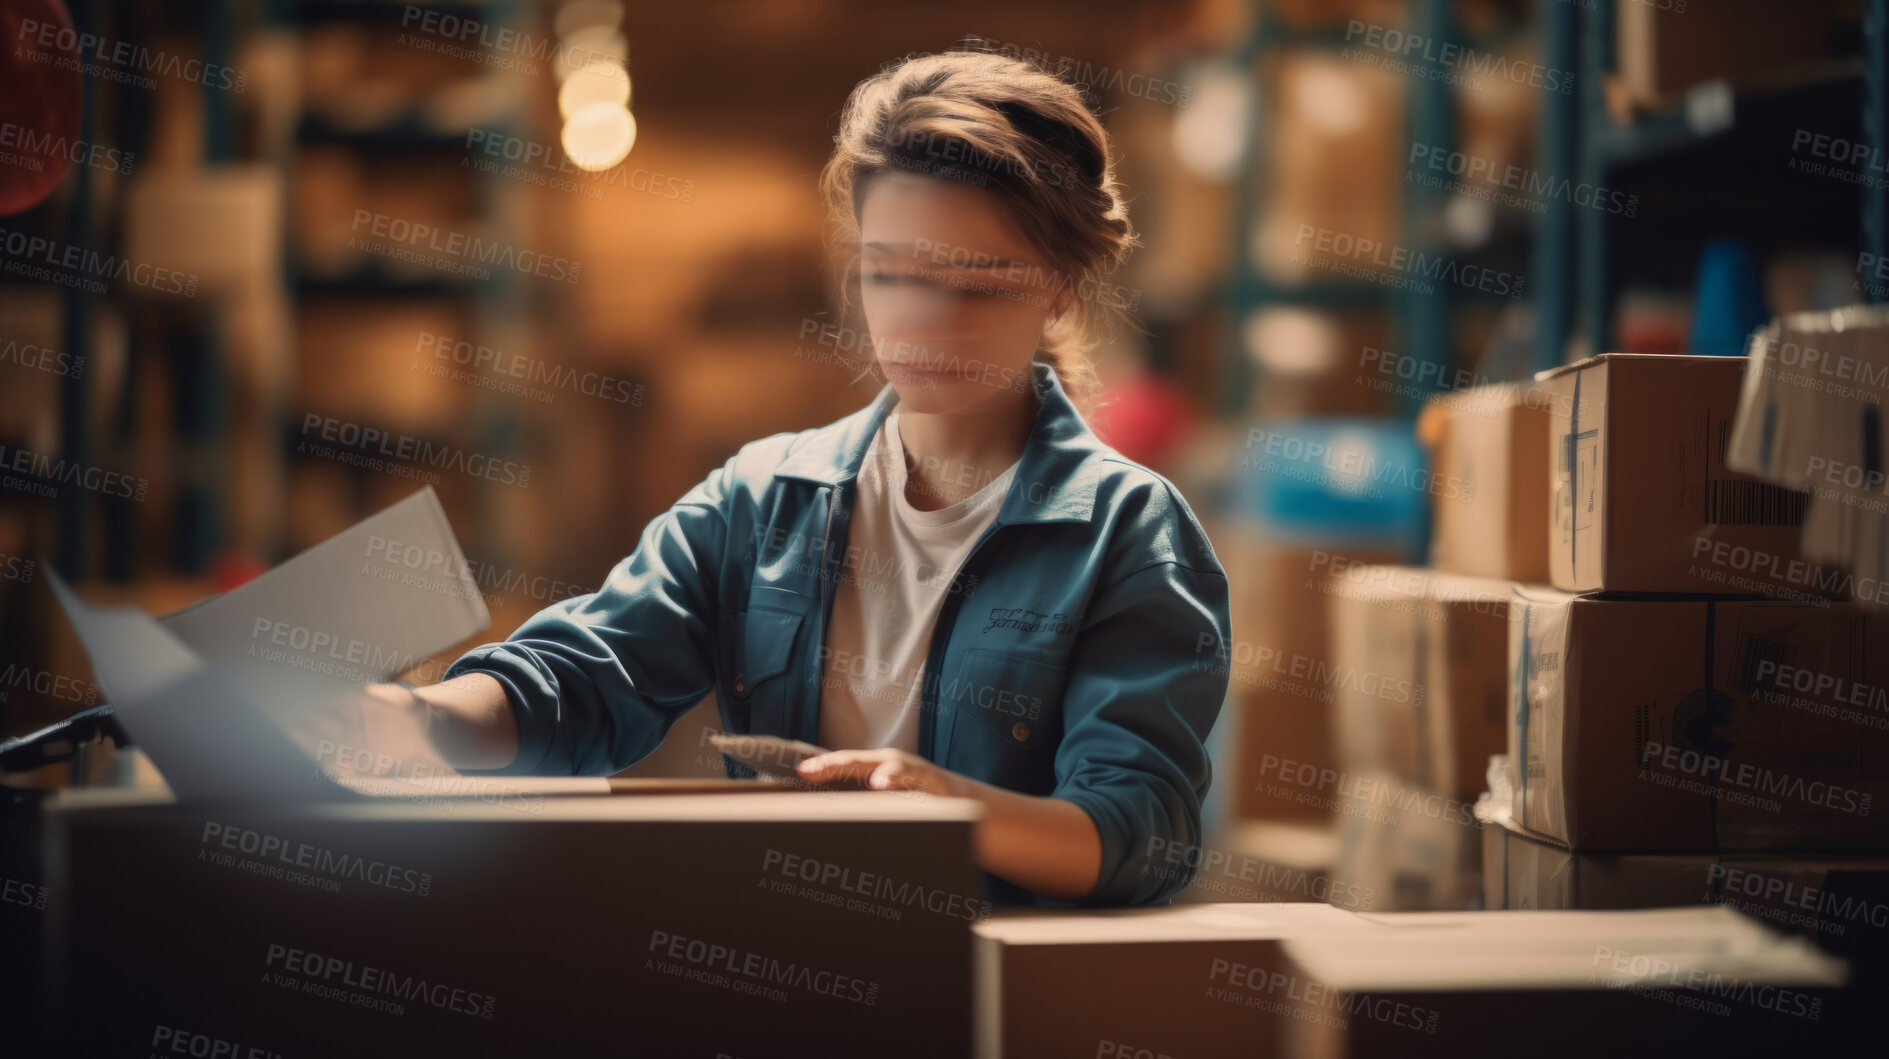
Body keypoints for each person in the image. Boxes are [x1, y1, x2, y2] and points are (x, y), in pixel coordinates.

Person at [372, 48, 1231, 907]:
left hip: (1002, 1006)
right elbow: (581, 680)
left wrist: (948, 806)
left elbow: (1141, 830)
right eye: (892, 272)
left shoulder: (1125, 533)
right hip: (784, 969)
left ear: (1061, 288)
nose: (927, 319)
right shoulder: (761, 500)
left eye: (981, 281)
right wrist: (427, 720)